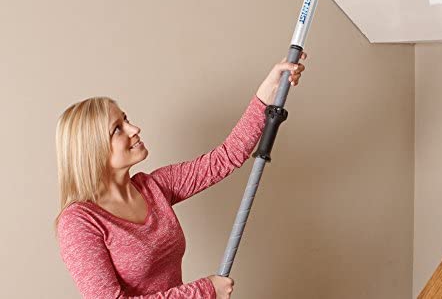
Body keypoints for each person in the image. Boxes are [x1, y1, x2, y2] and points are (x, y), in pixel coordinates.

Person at [55, 53, 307, 298]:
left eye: (126, 119)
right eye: (117, 129)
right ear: (92, 149)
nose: (134, 129)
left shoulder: (153, 187)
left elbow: (225, 157)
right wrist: (206, 291)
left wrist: (270, 89)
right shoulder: (79, 222)